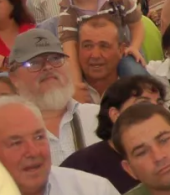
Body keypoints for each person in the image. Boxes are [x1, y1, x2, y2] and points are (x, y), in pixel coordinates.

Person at [9, 29, 101, 165]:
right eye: (34, 62)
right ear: (14, 78)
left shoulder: (98, 117)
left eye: (56, 59)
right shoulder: (7, 131)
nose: (48, 67)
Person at [63, 75, 166, 194]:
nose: (156, 111)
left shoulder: (169, 152)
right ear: (115, 114)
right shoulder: (81, 166)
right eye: (143, 103)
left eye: (159, 104)